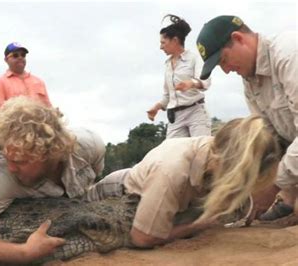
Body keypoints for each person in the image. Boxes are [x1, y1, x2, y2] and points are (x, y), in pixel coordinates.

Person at [0, 96, 106, 264]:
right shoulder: (2, 176)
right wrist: (24, 252)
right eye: (8, 158)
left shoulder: (91, 146)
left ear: (51, 154)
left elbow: (94, 182)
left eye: (21, 161)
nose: (11, 168)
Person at [87, 116, 281, 248]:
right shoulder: (171, 169)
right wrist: (198, 226)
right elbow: (142, 238)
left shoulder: (219, 151)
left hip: (169, 196)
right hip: (115, 197)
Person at [196, 15, 297, 222]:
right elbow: (271, 139)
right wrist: (254, 181)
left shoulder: (289, 54)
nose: (225, 70)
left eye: (223, 60)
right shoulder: (250, 82)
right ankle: (289, 199)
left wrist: (274, 184)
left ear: (239, 38)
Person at [147, 14, 211, 138]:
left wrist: (191, 83)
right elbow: (168, 96)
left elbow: (205, 81)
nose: (161, 47)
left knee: (201, 153)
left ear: (175, 40)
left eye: (163, 42)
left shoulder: (194, 58)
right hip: (175, 117)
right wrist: (157, 107)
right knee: (170, 154)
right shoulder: (167, 65)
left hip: (196, 113)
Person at [0, 42, 52, 111]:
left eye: (23, 55)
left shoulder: (39, 81)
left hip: (39, 121)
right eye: (15, 55)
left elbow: (49, 109)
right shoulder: (0, 82)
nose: (20, 57)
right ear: (6, 60)